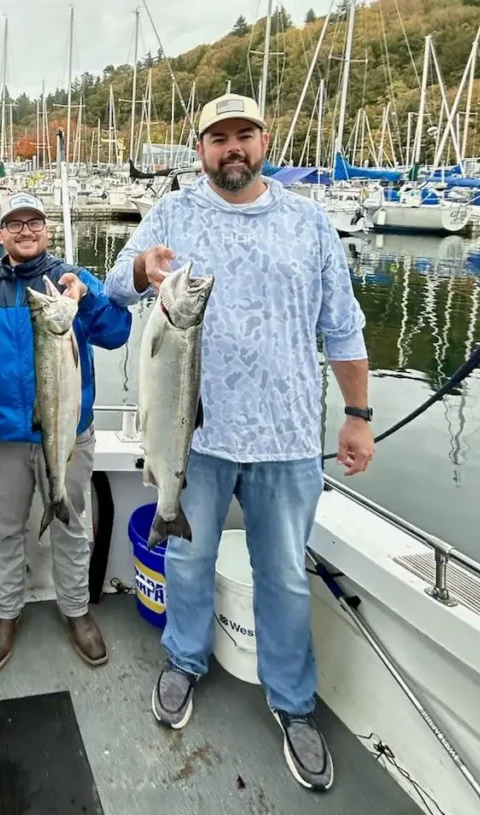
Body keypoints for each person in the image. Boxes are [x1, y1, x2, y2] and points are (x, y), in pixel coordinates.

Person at [104, 93, 375, 792]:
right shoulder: (172, 215)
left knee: (283, 573)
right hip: (195, 434)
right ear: (199, 149)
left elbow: (343, 327)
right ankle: (184, 660)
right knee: (188, 558)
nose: (232, 148)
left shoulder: (309, 222)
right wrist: (141, 272)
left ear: (264, 141)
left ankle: (293, 702)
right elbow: (115, 285)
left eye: (243, 135)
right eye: (217, 137)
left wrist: (357, 411)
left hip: (287, 436)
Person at [0, 192, 131, 671]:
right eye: (14, 224)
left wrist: (87, 299)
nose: (25, 231)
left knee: (72, 526)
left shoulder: (73, 281)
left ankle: (76, 610)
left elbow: (117, 333)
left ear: (47, 231)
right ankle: (6, 613)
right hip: (2, 438)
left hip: (69, 435)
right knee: (6, 531)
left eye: (33, 223)